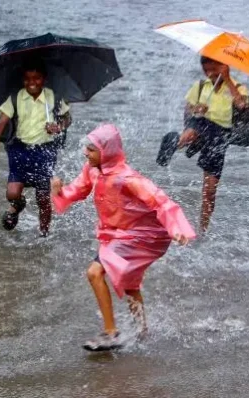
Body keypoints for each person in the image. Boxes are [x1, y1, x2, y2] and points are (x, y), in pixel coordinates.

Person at [51, 124, 196, 351]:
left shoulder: (127, 178)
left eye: (91, 149)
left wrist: (177, 229)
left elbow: (160, 201)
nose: (85, 153)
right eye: (86, 148)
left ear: (106, 151)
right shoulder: (92, 170)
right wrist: (59, 191)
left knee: (94, 272)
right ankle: (142, 330)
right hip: (115, 234)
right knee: (130, 283)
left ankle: (110, 332)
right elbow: (76, 191)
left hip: (140, 235)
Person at [161, 56, 249, 232]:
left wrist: (227, 79)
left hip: (220, 135)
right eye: (206, 70)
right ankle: (176, 143)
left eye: (213, 70)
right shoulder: (201, 86)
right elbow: (187, 110)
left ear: (223, 67)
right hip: (201, 124)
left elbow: (242, 106)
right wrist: (197, 109)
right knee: (192, 131)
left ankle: (203, 229)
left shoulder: (238, 88)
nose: (209, 74)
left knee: (209, 192)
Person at [0, 60, 71, 236]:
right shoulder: (16, 98)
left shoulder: (53, 97)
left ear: (44, 79)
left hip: (45, 151)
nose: (32, 82)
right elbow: (0, 125)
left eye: (37, 78)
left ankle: (44, 233)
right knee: (12, 192)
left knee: (43, 198)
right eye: (27, 79)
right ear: (22, 80)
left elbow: (67, 118)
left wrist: (58, 127)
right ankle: (18, 204)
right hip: (20, 149)